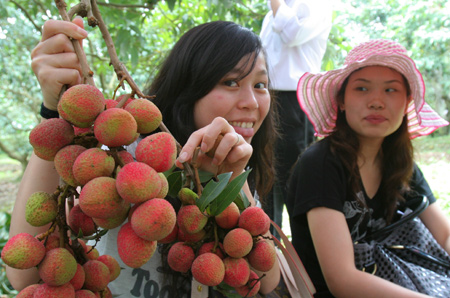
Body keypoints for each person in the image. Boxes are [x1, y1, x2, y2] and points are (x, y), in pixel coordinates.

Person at [7, 18, 281, 297]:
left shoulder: (234, 169)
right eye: (231, 81)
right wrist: (55, 111)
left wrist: (233, 177)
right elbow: (24, 277)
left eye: (261, 85)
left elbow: (265, 281)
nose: (252, 102)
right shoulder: (124, 153)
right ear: (188, 87)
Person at [286, 39, 450, 297]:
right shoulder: (320, 164)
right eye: (361, 88)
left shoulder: (400, 164)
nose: (376, 102)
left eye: (391, 90)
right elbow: (342, 280)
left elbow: (445, 235)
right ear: (341, 100)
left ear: (407, 101)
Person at [259, 0, 332, 237]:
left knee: (296, 180)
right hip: (267, 97)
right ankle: (269, 248)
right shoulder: (274, 11)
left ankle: (308, 255)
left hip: (295, 100)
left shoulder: (315, 5)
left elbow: (293, 33)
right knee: (265, 176)